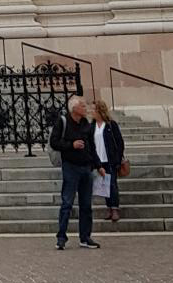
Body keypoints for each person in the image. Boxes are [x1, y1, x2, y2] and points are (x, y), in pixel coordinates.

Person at [51, 96, 102, 250]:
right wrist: (71, 145)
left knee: (86, 204)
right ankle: (61, 237)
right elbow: (54, 142)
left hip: (86, 167)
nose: (85, 108)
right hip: (71, 167)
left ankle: (85, 237)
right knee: (67, 202)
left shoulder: (86, 123)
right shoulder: (63, 121)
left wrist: (98, 165)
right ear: (74, 108)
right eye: (82, 105)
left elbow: (91, 146)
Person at [92, 99, 126, 226]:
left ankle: (115, 208)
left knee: (112, 184)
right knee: (103, 186)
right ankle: (109, 208)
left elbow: (119, 142)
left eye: (94, 110)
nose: (92, 112)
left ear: (99, 111)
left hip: (110, 159)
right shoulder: (92, 126)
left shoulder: (111, 125)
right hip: (98, 160)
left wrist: (117, 158)